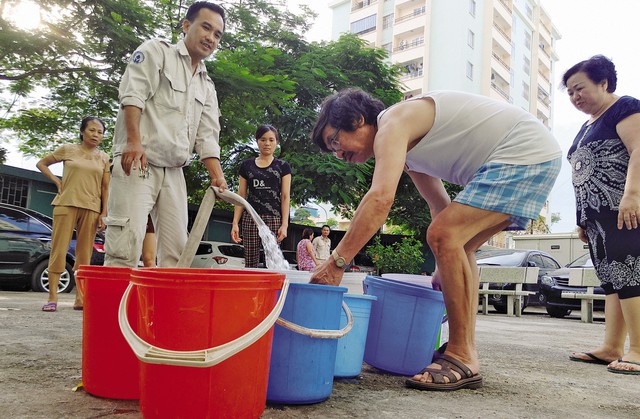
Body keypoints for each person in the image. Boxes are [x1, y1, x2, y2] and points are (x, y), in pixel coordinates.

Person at [309, 88, 562, 391]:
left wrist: (337, 262)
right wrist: (445, 261)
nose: (338, 154)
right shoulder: (408, 149)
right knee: (454, 239)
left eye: (334, 140)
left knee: (444, 235)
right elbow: (439, 206)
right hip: (533, 155)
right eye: (332, 149)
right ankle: (464, 349)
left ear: (357, 119)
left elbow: (379, 198)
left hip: (523, 153)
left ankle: (462, 353)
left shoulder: (392, 122)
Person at [104, 1, 228, 268]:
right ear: (186, 26)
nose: (210, 37)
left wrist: (217, 176)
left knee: (177, 253)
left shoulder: (207, 85)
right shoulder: (156, 52)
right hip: (138, 159)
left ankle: (161, 310)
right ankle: (113, 309)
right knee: (126, 245)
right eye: (206, 27)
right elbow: (132, 95)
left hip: (174, 170)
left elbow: (207, 135)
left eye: (217, 34)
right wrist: (133, 143)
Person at [562, 55, 640, 375]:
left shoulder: (624, 108)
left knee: (631, 275)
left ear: (604, 83)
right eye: (569, 92)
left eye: (579, 88)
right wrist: (583, 218)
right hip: (597, 216)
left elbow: (639, 149)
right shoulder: (586, 125)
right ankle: (611, 347)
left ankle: (638, 348)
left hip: (624, 209)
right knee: (612, 280)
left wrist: (633, 195)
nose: (575, 96)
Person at [36, 116, 110, 312]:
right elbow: (42, 163)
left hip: (92, 208)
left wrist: (104, 211)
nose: (96, 135)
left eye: (100, 132)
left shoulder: (104, 157)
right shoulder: (68, 149)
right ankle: (53, 297)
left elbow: (105, 187)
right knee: (59, 250)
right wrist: (58, 182)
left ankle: (80, 298)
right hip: (66, 204)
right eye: (92, 130)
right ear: (82, 131)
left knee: (84, 255)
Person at [230, 124, 291, 267]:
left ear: (277, 142)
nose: (267, 143)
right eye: (263, 139)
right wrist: (235, 223)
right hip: (250, 218)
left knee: (273, 261)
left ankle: (272, 289)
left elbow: (285, 196)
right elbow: (241, 196)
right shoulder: (247, 166)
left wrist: (284, 224)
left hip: (274, 219)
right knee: (250, 261)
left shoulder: (283, 166)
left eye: (271, 140)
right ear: (257, 141)